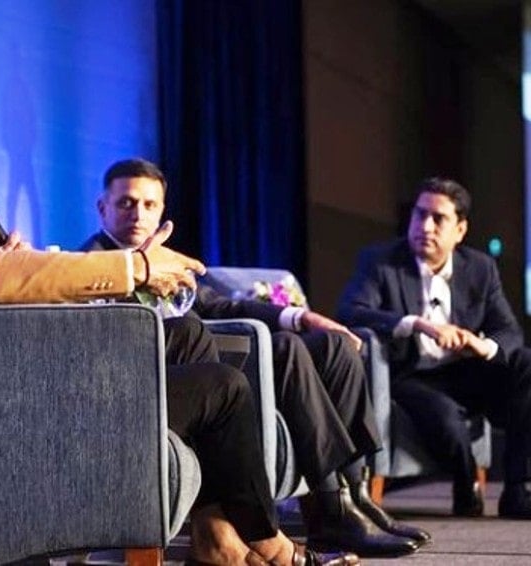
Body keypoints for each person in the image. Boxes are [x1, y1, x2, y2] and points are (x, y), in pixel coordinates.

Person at [0, 83, 358, 566]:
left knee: (185, 333)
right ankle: (272, 548)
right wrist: (137, 267)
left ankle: (216, 537)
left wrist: (12, 268)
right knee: (223, 387)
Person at [80, 158, 429, 558]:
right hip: (171, 375)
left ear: (162, 210)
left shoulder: (169, 260)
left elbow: (220, 306)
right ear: (102, 207)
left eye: (149, 205)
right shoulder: (88, 266)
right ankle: (330, 506)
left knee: (330, 345)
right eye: (126, 203)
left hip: (210, 358)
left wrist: (302, 316)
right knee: (284, 347)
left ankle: (353, 493)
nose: (138, 214)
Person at [337, 176, 531, 519]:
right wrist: (415, 323)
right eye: (419, 215)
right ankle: (465, 479)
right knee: (446, 420)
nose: (425, 226)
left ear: (460, 230)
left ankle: (518, 490)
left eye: (438, 218)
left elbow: (509, 332)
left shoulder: (480, 268)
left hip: (465, 369)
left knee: (525, 364)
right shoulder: (380, 261)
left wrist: (480, 345)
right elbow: (351, 311)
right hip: (411, 374)